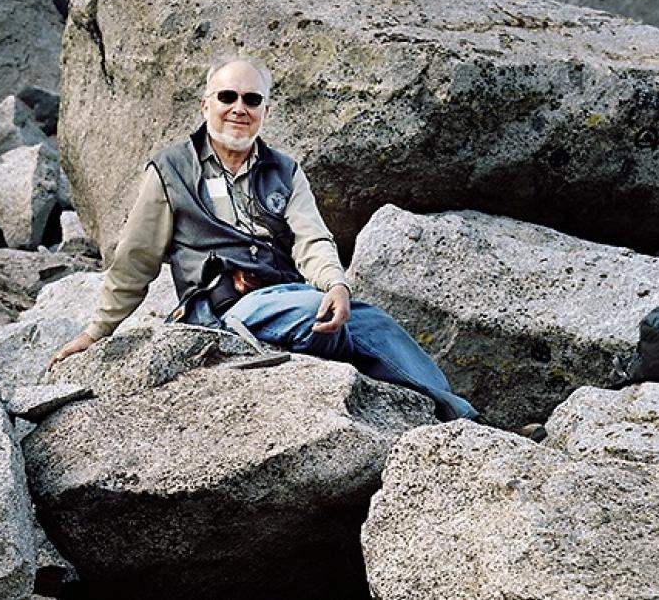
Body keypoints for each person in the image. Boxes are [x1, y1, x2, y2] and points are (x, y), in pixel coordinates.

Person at [49, 57, 478, 421]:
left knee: (375, 323)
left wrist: (336, 284)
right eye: (227, 97)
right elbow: (135, 260)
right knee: (316, 314)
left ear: (265, 111)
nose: (239, 108)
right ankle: (320, 350)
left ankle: (466, 420)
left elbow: (312, 240)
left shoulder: (285, 170)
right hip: (222, 310)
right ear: (205, 105)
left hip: (286, 295)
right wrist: (96, 332)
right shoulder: (170, 170)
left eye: (251, 100)